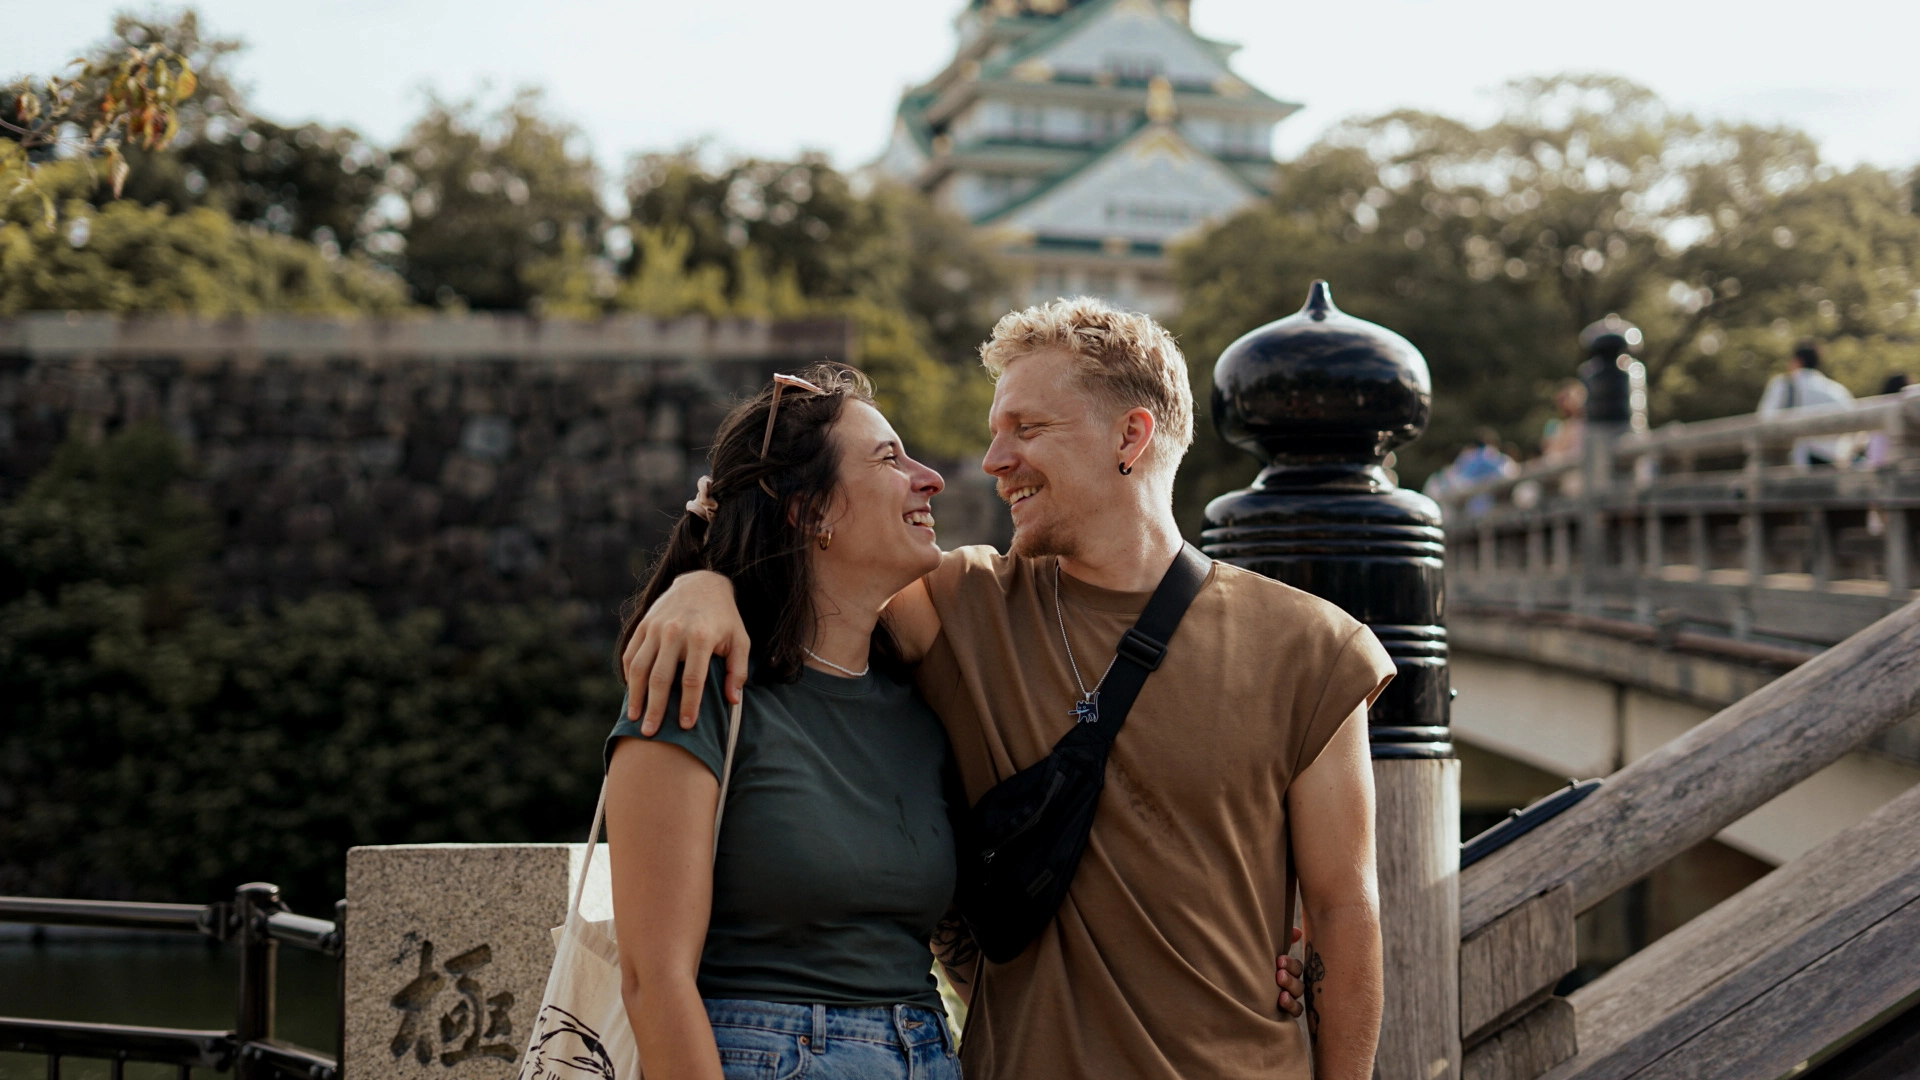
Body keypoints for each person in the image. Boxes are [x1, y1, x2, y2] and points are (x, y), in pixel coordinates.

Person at [623, 299, 1390, 1080]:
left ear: (1131, 436)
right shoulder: (961, 604)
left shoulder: (1313, 648)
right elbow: (801, 545)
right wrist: (703, 583)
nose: (992, 460)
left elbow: (1342, 910)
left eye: (1027, 429)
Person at [604, 366, 962, 1080]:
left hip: (926, 1052)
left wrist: (704, 576)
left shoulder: (923, 696)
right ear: (809, 513)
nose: (932, 480)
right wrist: (702, 577)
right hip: (768, 1055)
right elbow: (654, 981)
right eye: (890, 458)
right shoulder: (702, 681)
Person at [1758, 340, 1854, 467]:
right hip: (1830, 463)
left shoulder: (1783, 385)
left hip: (1793, 463)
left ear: (1797, 361)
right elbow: (1854, 424)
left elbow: (1764, 419)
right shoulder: (1836, 390)